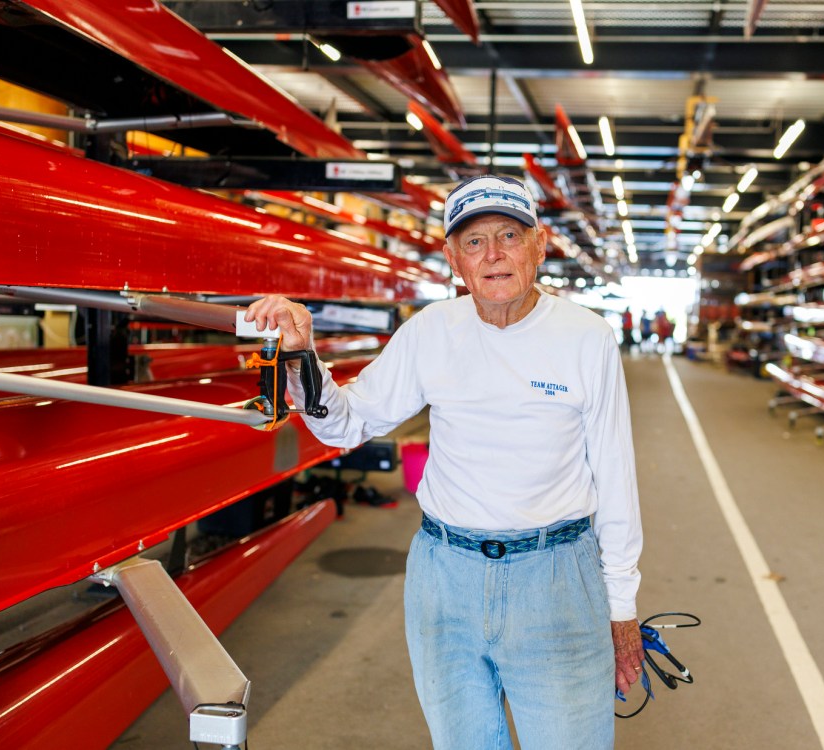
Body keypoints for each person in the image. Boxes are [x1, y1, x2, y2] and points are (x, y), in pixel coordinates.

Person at [246, 174, 644, 749]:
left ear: (540, 244)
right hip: (444, 579)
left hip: (556, 579)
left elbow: (615, 475)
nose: (494, 254)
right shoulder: (432, 331)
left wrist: (621, 607)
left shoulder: (587, 337)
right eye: (475, 242)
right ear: (454, 258)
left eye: (509, 234)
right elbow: (346, 422)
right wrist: (301, 356)